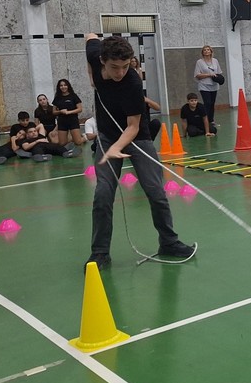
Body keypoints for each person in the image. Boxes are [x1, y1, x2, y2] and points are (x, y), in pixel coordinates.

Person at [86, 34, 196, 270]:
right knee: (103, 194)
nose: (120, 72)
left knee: (156, 191)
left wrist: (116, 147)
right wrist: (91, 76)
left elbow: (133, 127)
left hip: (137, 137)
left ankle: (169, 242)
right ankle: (100, 253)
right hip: (107, 135)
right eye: (114, 67)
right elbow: (90, 37)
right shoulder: (95, 56)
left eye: (125, 66)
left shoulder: (133, 84)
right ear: (102, 60)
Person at [12, 125, 80, 161]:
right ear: (27, 135)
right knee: (38, 147)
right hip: (38, 147)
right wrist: (37, 141)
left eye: (35, 131)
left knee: (55, 146)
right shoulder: (26, 140)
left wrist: (36, 133)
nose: (33, 133)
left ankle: (66, 153)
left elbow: (41, 125)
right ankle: (40, 156)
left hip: (47, 146)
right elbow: (26, 147)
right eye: (31, 132)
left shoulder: (40, 136)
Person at [193, 45, 222, 125]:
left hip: (214, 85)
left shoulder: (215, 61)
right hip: (204, 85)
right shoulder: (199, 62)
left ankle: (211, 120)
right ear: (202, 52)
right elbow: (197, 75)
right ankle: (204, 121)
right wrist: (209, 75)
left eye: (208, 50)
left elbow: (219, 72)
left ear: (211, 51)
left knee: (212, 103)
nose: (206, 51)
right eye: (204, 50)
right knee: (207, 103)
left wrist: (219, 79)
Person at [52, 78, 84, 147]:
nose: (63, 87)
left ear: (68, 86)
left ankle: (85, 138)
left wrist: (69, 112)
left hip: (73, 120)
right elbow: (54, 112)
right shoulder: (57, 97)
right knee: (62, 143)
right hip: (62, 121)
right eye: (61, 85)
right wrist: (60, 111)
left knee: (78, 142)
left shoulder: (73, 96)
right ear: (59, 87)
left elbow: (80, 109)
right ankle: (72, 140)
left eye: (65, 85)